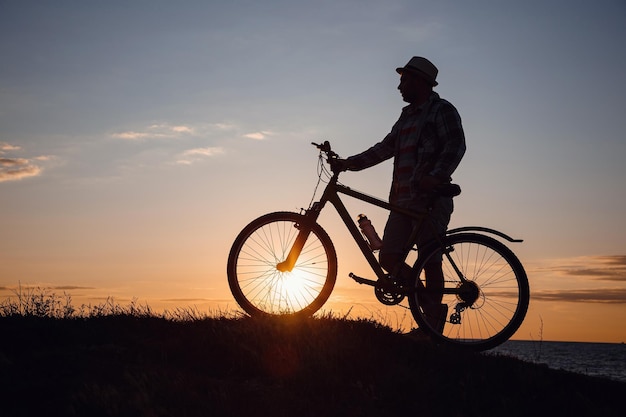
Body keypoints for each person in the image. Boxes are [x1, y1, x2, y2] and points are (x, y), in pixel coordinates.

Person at [335, 56, 466, 333]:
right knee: (388, 259)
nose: (399, 87)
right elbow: (385, 148)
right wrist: (349, 163)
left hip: (430, 200)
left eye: (403, 80)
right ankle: (426, 307)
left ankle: (431, 322)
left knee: (430, 260)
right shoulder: (406, 117)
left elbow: (456, 145)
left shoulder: (441, 110)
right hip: (402, 201)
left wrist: (435, 176)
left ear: (420, 81)